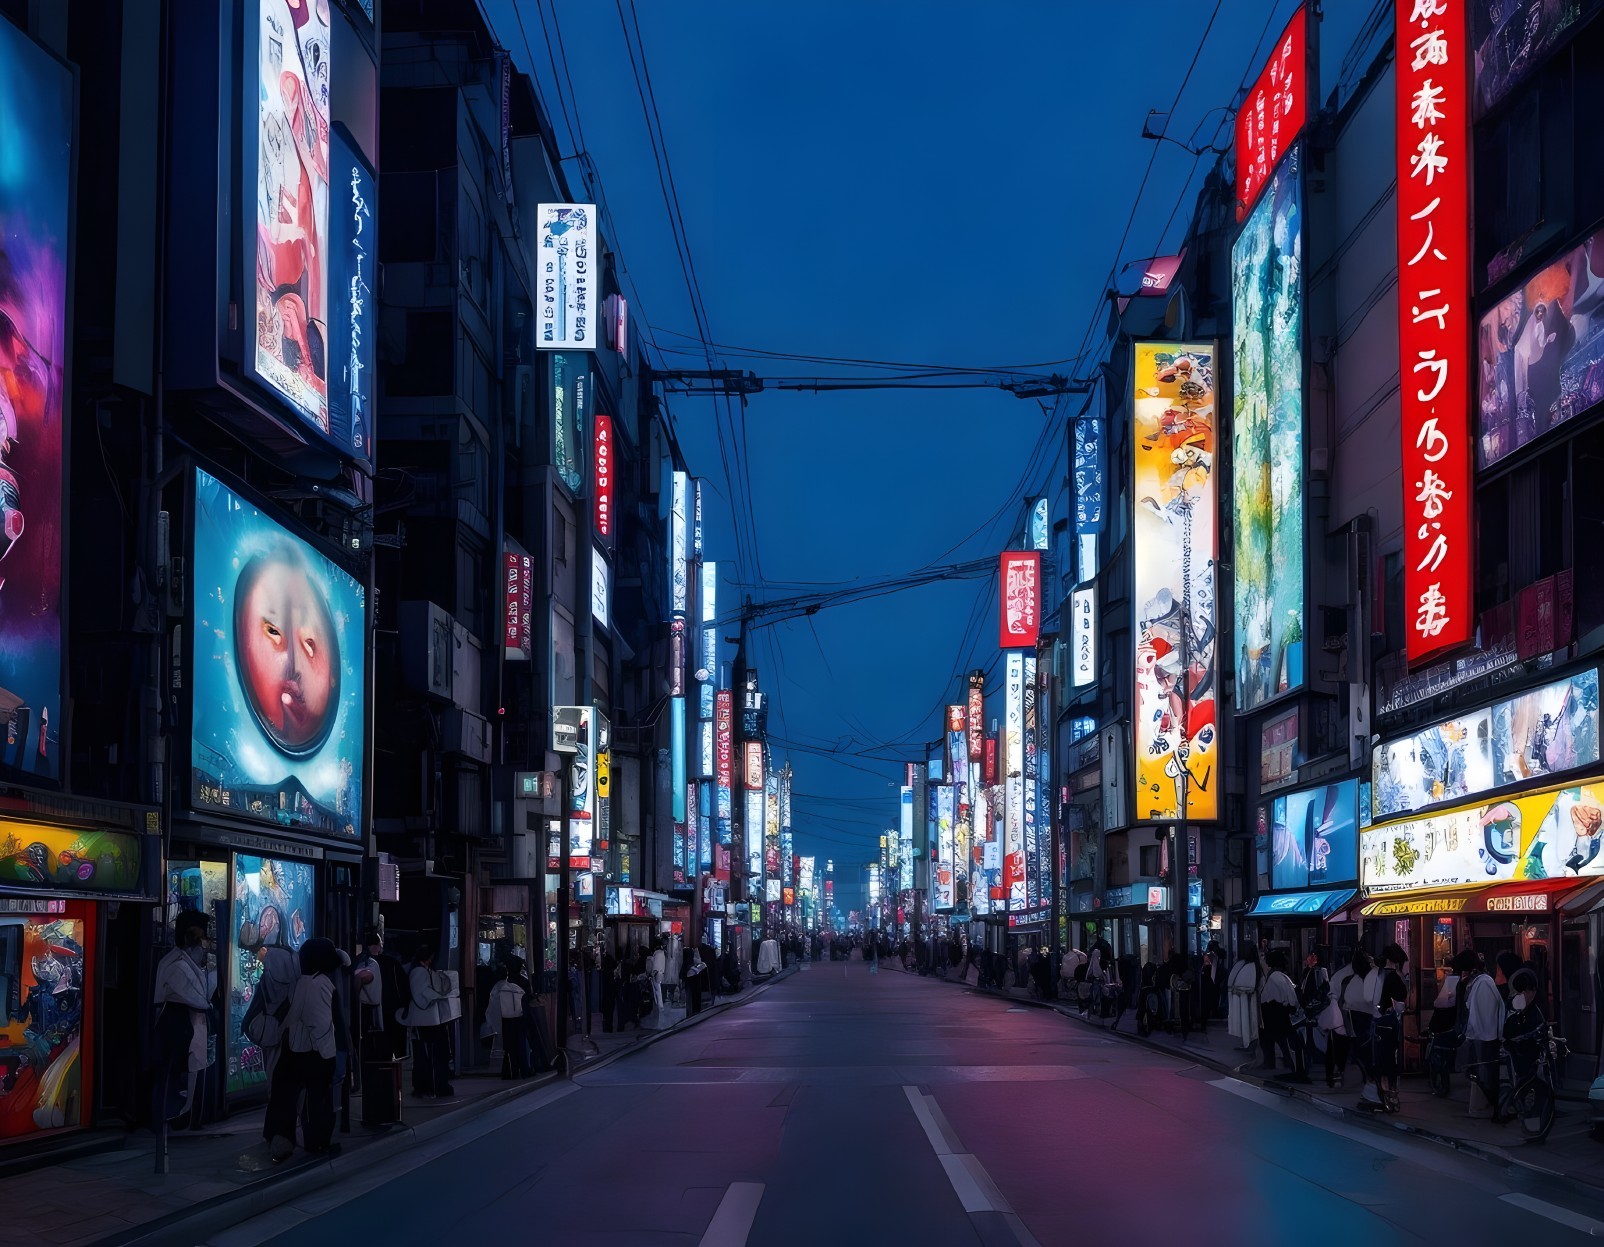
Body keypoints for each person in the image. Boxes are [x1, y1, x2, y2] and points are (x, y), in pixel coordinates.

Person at [265, 937, 348, 1161]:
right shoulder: (321, 983)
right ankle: (318, 1142)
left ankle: (283, 1139)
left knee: (290, 1095)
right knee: (319, 1099)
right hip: (317, 1052)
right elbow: (321, 1024)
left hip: (295, 1049)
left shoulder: (302, 981)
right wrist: (332, 1052)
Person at [152, 911, 216, 1130]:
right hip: (178, 1025)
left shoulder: (186, 961)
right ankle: (171, 1119)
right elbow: (200, 999)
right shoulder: (176, 965)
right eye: (203, 938)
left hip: (186, 1024)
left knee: (186, 1075)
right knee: (175, 1077)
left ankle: (182, 1116)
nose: (206, 944)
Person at [239, 919, 299, 1085]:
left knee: (273, 1067)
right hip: (284, 1023)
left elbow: (268, 994)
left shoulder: (270, 959)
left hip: (273, 1023)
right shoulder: (289, 956)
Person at [403, 945, 453, 1098]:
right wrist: (437, 997)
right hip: (427, 1020)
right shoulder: (420, 972)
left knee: (423, 1054)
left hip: (424, 1021)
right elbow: (422, 996)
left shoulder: (416, 970)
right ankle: (433, 1084)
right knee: (432, 1053)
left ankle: (425, 1085)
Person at [1462, 949, 1507, 1120]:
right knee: (1481, 1073)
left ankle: (1487, 1107)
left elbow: (1483, 1014)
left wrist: (1479, 1034)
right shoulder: (1482, 982)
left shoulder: (1483, 983)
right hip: (1482, 1036)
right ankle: (1485, 1107)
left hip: (1485, 1037)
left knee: (1485, 1073)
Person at [1366, 944, 1409, 1114]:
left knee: (1381, 1060)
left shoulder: (1377, 975)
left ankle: (1381, 1094)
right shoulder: (1395, 977)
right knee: (1391, 1060)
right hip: (1391, 1021)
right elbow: (1402, 1001)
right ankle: (1391, 1095)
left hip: (1378, 1020)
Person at [352, 928, 407, 1061]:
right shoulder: (391, 963)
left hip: (366, 1012)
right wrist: (405, 1005)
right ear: (378, 945)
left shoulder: (358, 962)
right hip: (391, 1011)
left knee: (369, 1048)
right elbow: (403, 985)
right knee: (391, 1046)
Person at [1259, 950, 1307, 1080]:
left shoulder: (1275, 977)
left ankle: (1278, 1065)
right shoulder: (1281, 976)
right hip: (1279, 1012)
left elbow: (1285, 998)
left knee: (1278, 1041)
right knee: (1281, 1041)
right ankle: (1284, 1064)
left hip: (1276, 1013)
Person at [485, 964, 529, 1079]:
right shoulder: (516, 987)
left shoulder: (497, 988)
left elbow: (492, 1008)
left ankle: (508, 1072)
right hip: (518, 1019)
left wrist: (491, 1023)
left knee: (507, 1048)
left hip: (504, 1021)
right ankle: (520, 1070)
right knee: (518, 1046)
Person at [1342, 949, 1377, 1095]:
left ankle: (1369, 1080)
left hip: (1355, 1016)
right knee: (1364, 1050)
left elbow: (1344, 1001)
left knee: (1361, 1050)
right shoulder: (1368, 979)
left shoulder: (1352, 980)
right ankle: (1370, 1080)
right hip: (1363, 1016)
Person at [1324, 949, 1358, 1089]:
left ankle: (1335, 1075)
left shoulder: (1340, 975)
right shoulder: (1349, 975)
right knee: (1342, 1048)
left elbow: (1332, 996)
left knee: (1336, 1047)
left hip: (1341, 1016)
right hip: (1347, 1016)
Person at [1227, 948, 1262, 1051]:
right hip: (1252, 997)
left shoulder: (1245, 966)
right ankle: (1251, 1042)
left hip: (1248, 998)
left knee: (1247, 1020)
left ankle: (1249, 1042)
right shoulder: (1253, 966)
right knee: (1251, 1020)